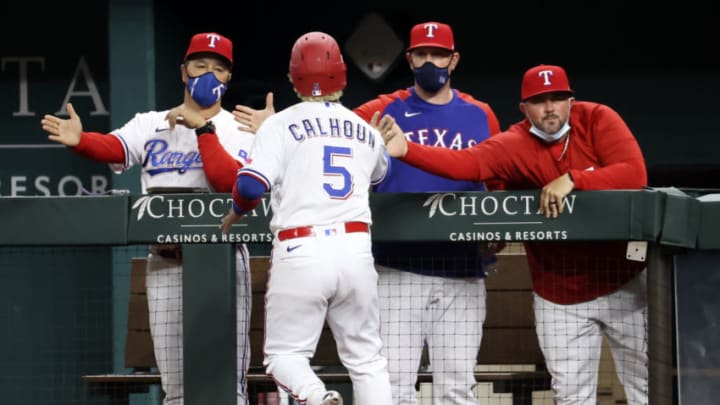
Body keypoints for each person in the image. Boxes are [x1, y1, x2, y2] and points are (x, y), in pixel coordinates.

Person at [380, 63, 649, 405]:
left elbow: (634, 174)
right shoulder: (514, 143)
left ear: (571, 100)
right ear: (524, 109)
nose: (550, 108)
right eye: (539, 101)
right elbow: (469, 164)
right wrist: (408, 150)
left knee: (646, 388)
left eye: (557, 98)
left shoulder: (598, 119)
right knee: (572, 398)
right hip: (559, 294)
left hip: (623, 285)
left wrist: (576, 179)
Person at [41, 32, 255, 405]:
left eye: (218, 68)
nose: (207, 74)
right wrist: (83, 140)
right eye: (199, 65)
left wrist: (202, 129)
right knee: (175, 391)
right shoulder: (151, 122)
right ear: (183, 71)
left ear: (228, 79)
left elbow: (228, 182)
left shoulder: (241, 128)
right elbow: (116, 147)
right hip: (166, 261)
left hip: (222, 263)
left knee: (229, 390)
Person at [220, 31, 393, 405]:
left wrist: (235, 212)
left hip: (302, 247)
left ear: (292, 77)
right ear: (342, 76)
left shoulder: (278, 124)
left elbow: (250, 187)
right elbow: (382, 174)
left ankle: (316, 396)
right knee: (367, 360)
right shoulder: (366, 130)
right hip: (355, 249)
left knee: (285, 357)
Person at [352, 21, 504, 405]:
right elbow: (334, 131)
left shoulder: (481, 115)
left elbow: (498, 183)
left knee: (457, 388)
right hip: (395, 268)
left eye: (438, 54)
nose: (430, 61)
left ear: (453, 60)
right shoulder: (384, 108)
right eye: (422, 54)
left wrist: (495, 232)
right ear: (410, 59)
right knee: (393, 385)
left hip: (462, 270)